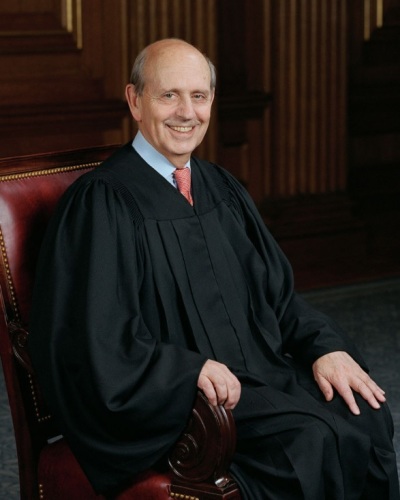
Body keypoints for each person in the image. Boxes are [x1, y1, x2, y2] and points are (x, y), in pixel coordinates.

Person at [28, 38, 399, 499]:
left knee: (366, 413)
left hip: (259, 376)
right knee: (310, 440)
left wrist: (324, 347)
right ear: (134, 101)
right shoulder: (103, 202)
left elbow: (277, 297)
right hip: (183, 402)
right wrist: (186, 371)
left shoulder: (219, 186)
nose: (187, 112)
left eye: (198, 96)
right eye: (169, 95)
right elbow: (94, 338)